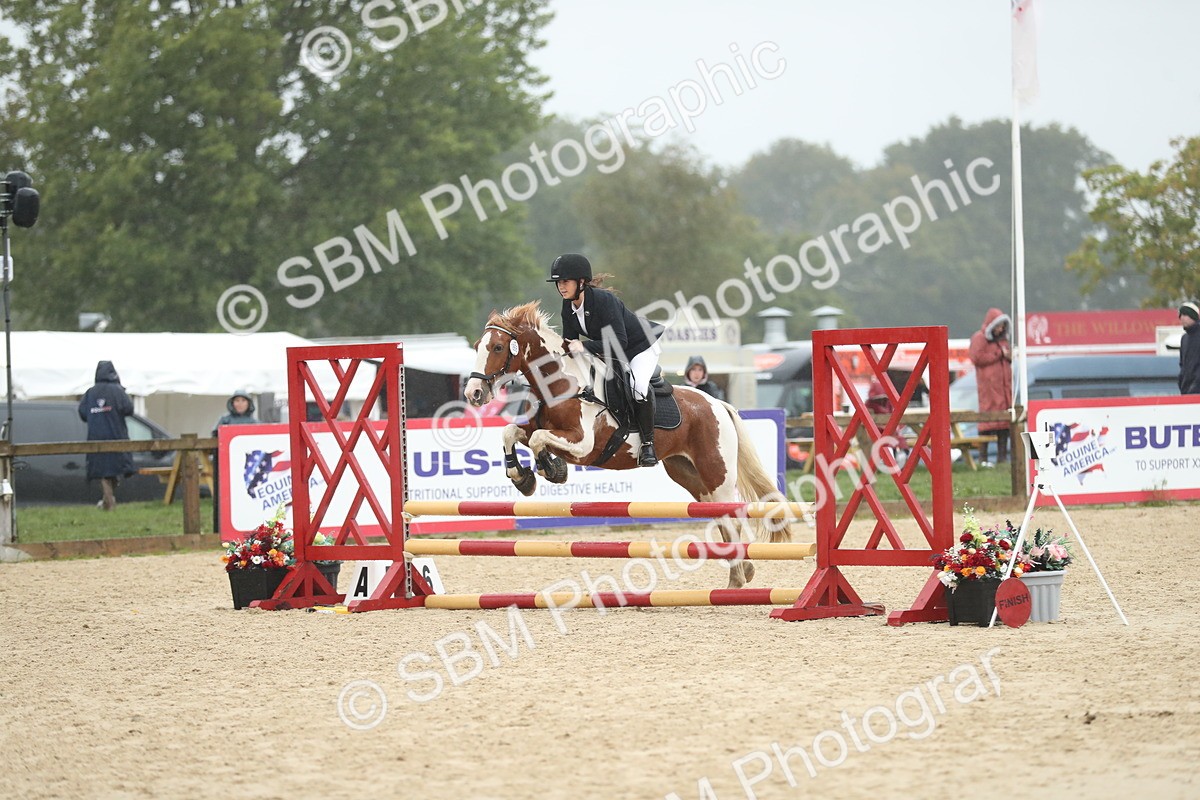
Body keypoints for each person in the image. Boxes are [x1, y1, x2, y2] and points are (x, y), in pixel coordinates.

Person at [549, 253, 664, 467]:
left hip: (640, 348)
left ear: (581, 282)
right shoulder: (568, 306)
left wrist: (584, 346)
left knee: (637, 386)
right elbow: (570, 343)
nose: (561, 287)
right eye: (558, 282)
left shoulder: (604, 301)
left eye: (565, 281)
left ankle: (648, 444)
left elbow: (619, 340)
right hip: (610, 351)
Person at [77, 360, 135, 510]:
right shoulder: (118, 391)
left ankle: (106, 501)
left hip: (96, 439)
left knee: (104, 473)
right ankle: (110, 504)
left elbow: (82, 413)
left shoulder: (90, 393)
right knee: (113, 471)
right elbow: (129, 409)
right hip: (117, 437)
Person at [968, 308, 1013, 465]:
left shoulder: (1002, 341)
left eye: (1002, 326)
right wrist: (999, 355)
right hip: (989, 390)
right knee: (986, 423)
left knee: (1004, 425)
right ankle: (983, 458)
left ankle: (1002, 458)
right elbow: (977, 357)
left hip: (1004, 390)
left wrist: (1008, 357)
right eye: (998, 325)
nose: (1000, 329)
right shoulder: (979, 338)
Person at [212, 390, 259, 535]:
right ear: (232, 403)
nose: (240, 404)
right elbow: (215, 436)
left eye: (243, 400)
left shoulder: (254, 422)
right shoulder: (225, 420)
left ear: (249, 403)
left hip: (249, 467)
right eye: (237, 401)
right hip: (228, 467)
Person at [1179, 302, 1200, 394]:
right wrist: (1181, 382)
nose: (1181, 318)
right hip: (1186, 390)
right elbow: (1182, 364)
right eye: (1180, 315)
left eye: (1185, 314)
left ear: (1193, 316)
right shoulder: (1184, 339)